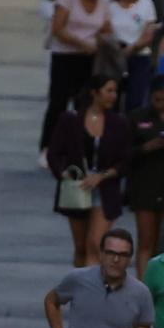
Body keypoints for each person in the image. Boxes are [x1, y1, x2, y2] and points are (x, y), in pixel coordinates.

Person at [47, 75, 132, 267]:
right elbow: (54, 153)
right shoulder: (71, 120)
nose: (113, 96)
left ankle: (92, 291)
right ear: (95, 92)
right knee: (81, 247)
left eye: (115, 91)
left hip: (105, 188)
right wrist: (63, 174)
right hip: (78, 188)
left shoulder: (119, 123)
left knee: (95, 242)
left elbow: (126, 160)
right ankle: (80, 287)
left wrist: (102, 176)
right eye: (108, 91)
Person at [41, 0, 114, 159]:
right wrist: (81, 43)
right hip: (64, 56)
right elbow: (58, 28)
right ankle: (48, 147)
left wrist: (104, 40)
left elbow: (106, 29)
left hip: (89, 59)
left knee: (83, 104)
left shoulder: (104, 3)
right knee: (58, 102)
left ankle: (78, 148)